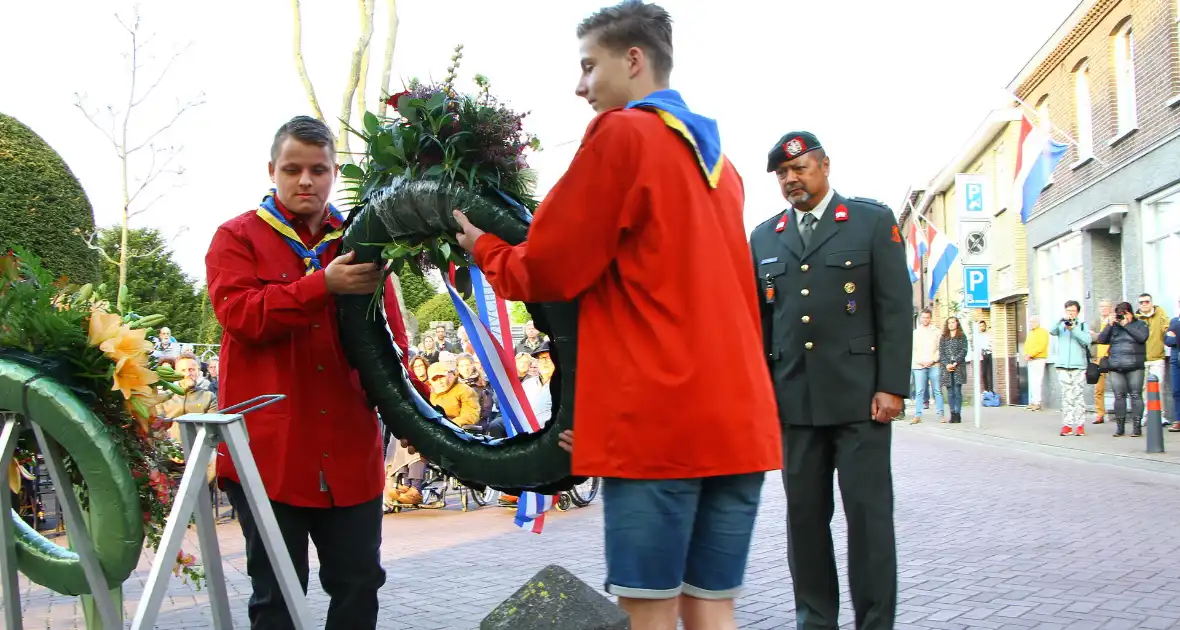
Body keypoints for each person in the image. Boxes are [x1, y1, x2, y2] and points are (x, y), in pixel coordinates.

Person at [449, 3, 782, 628]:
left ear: (632, 60)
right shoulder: (723, 167)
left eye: (587, 66)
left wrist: (485, 249)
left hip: (661, 422)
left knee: (648, 609)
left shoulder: (623, 136)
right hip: (737, 422)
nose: (580, 86)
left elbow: (549, 267)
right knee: (713, 607)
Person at [205, 115, 386, 629]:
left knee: (359, 587)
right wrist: (320, 286)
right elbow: (241, 317)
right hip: (270, 458)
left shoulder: (360, 239)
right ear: (272, 170)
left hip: (350, 454)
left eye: (318, 169)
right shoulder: (235, 238)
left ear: (333, 173)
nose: (305, 181)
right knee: (279, 598)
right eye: (292, 169)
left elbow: (388, 337)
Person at [749, 130, 911, 629]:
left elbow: (894, 309)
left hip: (862, 400)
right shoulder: (763, 237)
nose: (791, 180)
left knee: (868, 522)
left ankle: (875, 622)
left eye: (800, 169)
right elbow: (759, 325)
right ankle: (816, 621)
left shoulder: (869, 222)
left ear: (824, 166)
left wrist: (892, 386)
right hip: (794, 403)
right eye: (782, 174)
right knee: (804, 524)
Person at [1097, 301, 1149, 437]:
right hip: (1115, 366)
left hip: (1135, 366)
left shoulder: (1140, 324)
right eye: (1119, 315)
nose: (1121, 317)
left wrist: (1126, 326)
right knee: (1119, 396)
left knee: (1136, 395)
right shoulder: (1114, 326)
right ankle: (1120, 427)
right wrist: (1109, 325)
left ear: (1131, 313)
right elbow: (1101, 339)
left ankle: (1136, 427)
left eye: (1124, 314)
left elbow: (1142, 338)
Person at [1049, 300, 1093, 436]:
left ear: (1077, 312)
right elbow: (1052, 331)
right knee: (1067, 396)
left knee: (1078, 395)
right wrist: (1061, 321)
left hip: (1078, 365)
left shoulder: (1082, 325)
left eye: (1073, 311)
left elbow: (1087, 341)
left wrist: (1073, 329)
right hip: (1062, 365)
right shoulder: (1061, 325)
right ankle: (1067, 424)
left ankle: (1080, 425)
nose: (1070, 313)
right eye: (1068, 311)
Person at [1136, 293, 1170, 424]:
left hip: (1157, 357)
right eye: (1141, 302)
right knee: (1144, 389)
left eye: (1146, 302)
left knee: (1158, 387)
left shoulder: (1159, 312)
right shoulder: (1136, 318)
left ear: (1151, 302)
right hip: (1142, 359)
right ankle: (1146, 415)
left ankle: (1160, 415)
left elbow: (1166, 327)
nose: (1144, 304)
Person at [910, 308, 944, 424]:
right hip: (919, 365)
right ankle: (917, 415)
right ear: (920, 318)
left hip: (934, 365)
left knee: (937, 390)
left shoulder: (937, 332)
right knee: (919, 391)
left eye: (927, 317)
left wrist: (933, 360)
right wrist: (920, 361)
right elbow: (912, 350)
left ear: (931, 318)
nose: (925, 319)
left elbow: (940, 349)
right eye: (923, 317)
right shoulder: (915, 333)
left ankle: (941, 414)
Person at [940, 317, 969, 423]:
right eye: (949, 323)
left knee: (957, 391)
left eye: (953, 322)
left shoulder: (962, 336)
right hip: (946, 368)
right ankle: (952, 413)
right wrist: (947, 364)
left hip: (958, 366)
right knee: (950, 392)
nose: (951, 324)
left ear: (957, 323)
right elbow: (941, 352)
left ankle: (957, 413)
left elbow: (964, 350)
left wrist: (956, 362)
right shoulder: (944, 337)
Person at [1091, 300, 1113, 423]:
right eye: (1102, 306)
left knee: (1117, 386)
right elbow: (1090, 337)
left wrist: (1098, 336)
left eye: (1106, 306)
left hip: (1111, 357)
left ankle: (1120, 412)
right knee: (1098, 388)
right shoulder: (1095, 322)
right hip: (1098, 358)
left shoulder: (1114, 322)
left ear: (1111, 308)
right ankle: (1100, 414)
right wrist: (1101, 335)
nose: (1104, 308)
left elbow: (1112, 337)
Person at [1025, 315, 1049, 411]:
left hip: (1039, 359)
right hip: (1031, 359)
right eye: (1029, 322)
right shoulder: (1031, 333)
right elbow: (1027, 345)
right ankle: (1032, 401)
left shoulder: (1042, 332)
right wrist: (1026, 354)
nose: (1030, 324)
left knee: (1037, 381)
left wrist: (1031, 354)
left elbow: (1041, 346)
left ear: (1037, 322)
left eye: (1032, 322)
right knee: (1032, 381)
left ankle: (1037, 402)